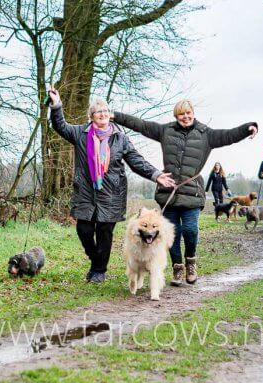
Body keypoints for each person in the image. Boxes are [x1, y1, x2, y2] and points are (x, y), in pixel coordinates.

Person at [114, 100, 257, 285]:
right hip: (169, 192)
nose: (185, 117)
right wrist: (115, 116)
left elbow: (229, 135)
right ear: (176, 116)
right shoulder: (166, 131)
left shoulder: (206, 134)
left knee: (190, 230)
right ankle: (177, 268)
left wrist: (248, 128)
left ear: (193, 113)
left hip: (192, 193)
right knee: (171, 234)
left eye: (188, 113)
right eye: (181, 114)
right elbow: (141, 125)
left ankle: (190, 261)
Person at [48, 88, 175, 283]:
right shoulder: (80, 134)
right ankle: (95, 258)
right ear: (91, 117)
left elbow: (136, 160)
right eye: (98, 111)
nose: (103, 114)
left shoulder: (120, 138)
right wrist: (56, 105)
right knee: (84, 230)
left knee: (105, 233)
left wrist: (156, 175)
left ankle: (99, 271)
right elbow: (60, 126)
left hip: (112, 193)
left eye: (106, 111)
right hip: (85, 191)